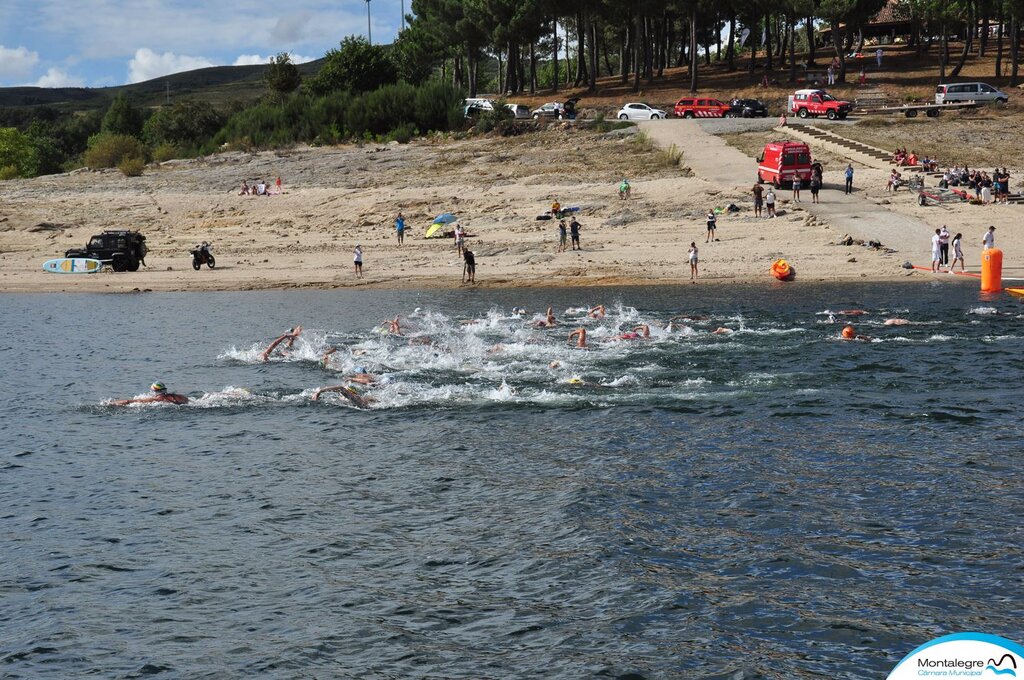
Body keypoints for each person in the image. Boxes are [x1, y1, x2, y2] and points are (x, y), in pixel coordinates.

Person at [111, 382, 189, 406]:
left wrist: (112, 403)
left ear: (155, 391)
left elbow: (128, 402)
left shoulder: (156, 399)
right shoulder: (178, 396)